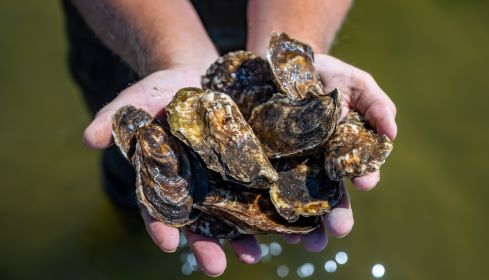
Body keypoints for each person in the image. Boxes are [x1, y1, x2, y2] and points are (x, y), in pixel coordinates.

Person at [62, 0, 397, 276]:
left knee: (299, 222)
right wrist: (172, 55)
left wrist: (291, 55)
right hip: (127, 23)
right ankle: (129, 229)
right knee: (132, 178)